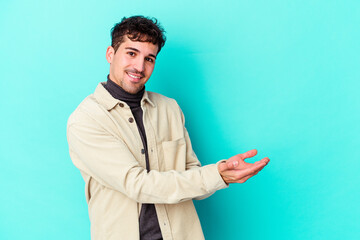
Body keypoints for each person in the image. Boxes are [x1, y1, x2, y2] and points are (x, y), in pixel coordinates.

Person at [67, 15, 270, 240]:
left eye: (149, 58)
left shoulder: (169, 108)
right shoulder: (87, 119)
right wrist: (215, 175)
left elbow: (192, 175)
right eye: (131, 53)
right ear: (110, 54)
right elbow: (136, 184)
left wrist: (223, 173)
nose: (139, 66)